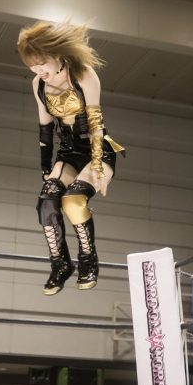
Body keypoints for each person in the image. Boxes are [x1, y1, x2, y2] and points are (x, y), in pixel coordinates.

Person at [17, 20, 125, 295]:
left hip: (97, 149)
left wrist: (98, 166)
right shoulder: (38, 84)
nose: (38, 71)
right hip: (69, 153)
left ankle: (89, 259)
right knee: (46, 202)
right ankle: (61, 263)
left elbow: (96, 124)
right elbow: (45, 129)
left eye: (41, 64)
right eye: (32, 67)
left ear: (56, 55)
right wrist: (46, 168)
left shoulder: (83, 74)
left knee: (73, 202)